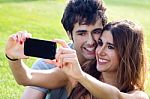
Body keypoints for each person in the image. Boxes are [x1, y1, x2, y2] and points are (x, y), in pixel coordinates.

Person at [5, 0, 107, 99]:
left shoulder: (111, 61)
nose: (91, 41)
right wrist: (14, 59)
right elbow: (26, 78)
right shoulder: (49, 64)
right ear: (69, 34)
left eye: (96, 32)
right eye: (82, 33)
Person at [52, 20, 149, 99]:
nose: (99, 52)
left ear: (127, 55)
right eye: (100, 43)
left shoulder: (138, 96)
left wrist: (81, 76)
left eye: (110, 47)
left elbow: (116, 96)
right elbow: (41, 77)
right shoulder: (82, 74)